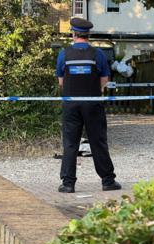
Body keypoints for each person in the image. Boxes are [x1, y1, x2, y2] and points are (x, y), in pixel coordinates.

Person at [56, 17, 121, 193]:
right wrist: (93, 90)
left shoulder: (64, 54)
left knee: (70, 143)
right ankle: (108, 181)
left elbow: (61, 82)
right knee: (98, 141)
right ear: (88, 35)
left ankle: (68, 184)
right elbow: (105, 79)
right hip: (93, 104)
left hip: (71, 104)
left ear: (73, 34)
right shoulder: (97, 54)